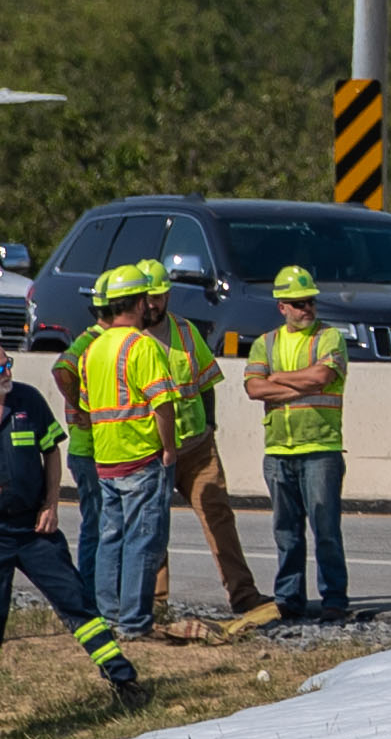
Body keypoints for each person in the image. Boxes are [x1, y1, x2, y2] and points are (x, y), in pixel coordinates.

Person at [0, 347, 147, 708]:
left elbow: (50, 451)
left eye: (8, 364)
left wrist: (51, 503)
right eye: (1, 367)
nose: (8, 372)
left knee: (77, 603)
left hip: (34, 529)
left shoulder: (27, 400)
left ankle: (123, 681)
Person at [133, 258, 272, 622]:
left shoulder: (184, 331)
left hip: (195, 446)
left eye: (159, 296)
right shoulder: (127, 338)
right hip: (151, 451)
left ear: (168, 295)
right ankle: (156, 605)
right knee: (154, 528)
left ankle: (243, 594)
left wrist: (209, 425)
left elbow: (207, 381)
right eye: (147, 296)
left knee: (218, 516)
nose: (153, 304)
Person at [79, 265, 180, 640]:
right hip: (141, 457)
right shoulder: (142, 346)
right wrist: (168, 449)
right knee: (142, 540)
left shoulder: (93, 348)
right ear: (139, 302)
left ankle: (109, 617)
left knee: (111, 538)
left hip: (107, 459)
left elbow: (87, 406)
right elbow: (162, 405)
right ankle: (135, 622)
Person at [244, 267, 349, 621]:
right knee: (286, 532)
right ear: (282, 307)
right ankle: (289, 598)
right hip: (278, 451)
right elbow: (253, 388)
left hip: (320, 448)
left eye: (310, 302)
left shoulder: (329, 338)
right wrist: (297, 385)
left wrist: (277, 378)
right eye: (299, 304)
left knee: (326, 530)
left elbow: (322, 377)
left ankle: (334, 598)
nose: (307, 309)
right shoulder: (266, 343)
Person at [49, 273, 118, 605]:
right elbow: (63, 367)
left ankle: (97, 590)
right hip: (88, 449)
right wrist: (80, 407)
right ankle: (89, 592)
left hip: (98, 450)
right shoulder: (93, 339)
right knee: (97, 523)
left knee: (104, 522)